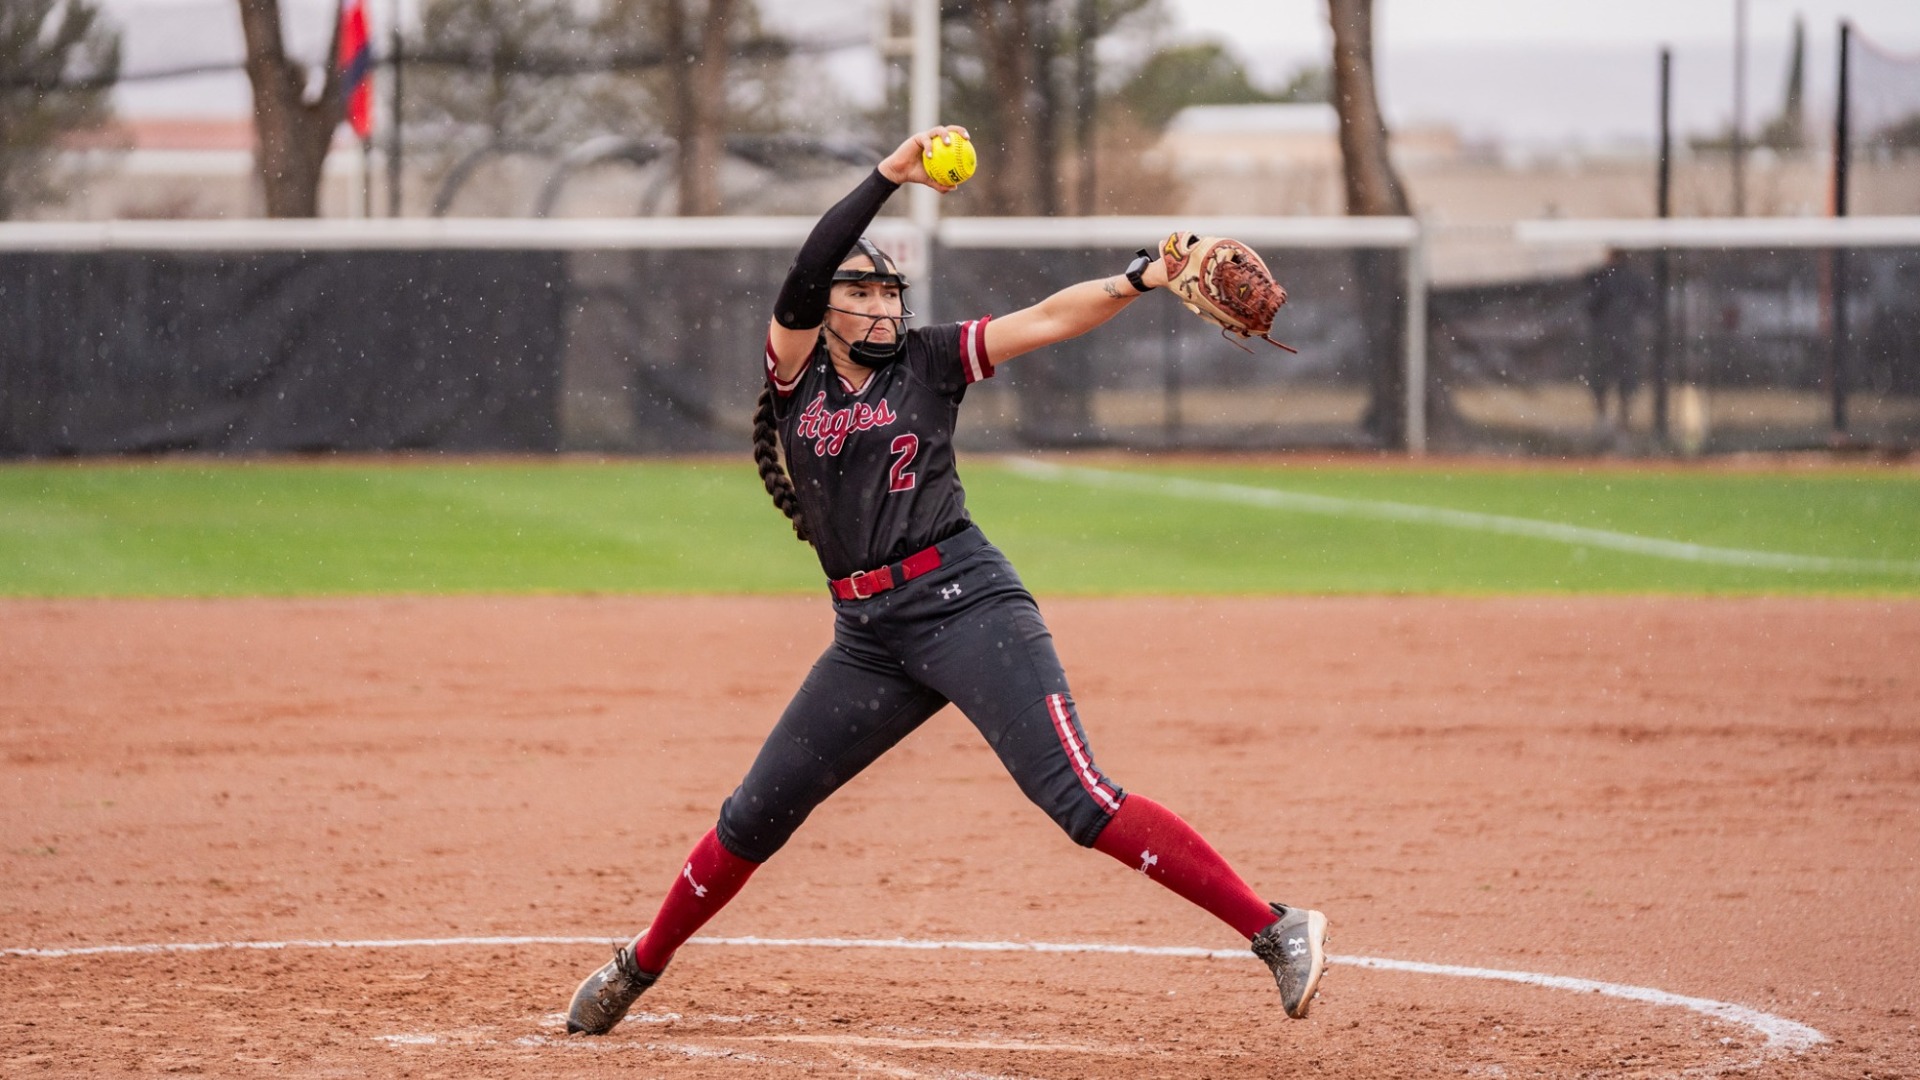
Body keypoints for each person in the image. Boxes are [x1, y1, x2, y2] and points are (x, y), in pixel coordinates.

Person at [566, 125, 1328, 1036]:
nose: (882, 309)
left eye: (890, 293)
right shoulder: (795, 375)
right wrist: (890, 174)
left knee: (1078, 798)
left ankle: (1274, 928)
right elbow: (809, 266)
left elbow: (1047, 317)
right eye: (862, 293)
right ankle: (639, 964)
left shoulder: (930, 360)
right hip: (868, 639)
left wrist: (1138, 279)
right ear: (825, 309)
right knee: (755, 814)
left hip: (966, 604)